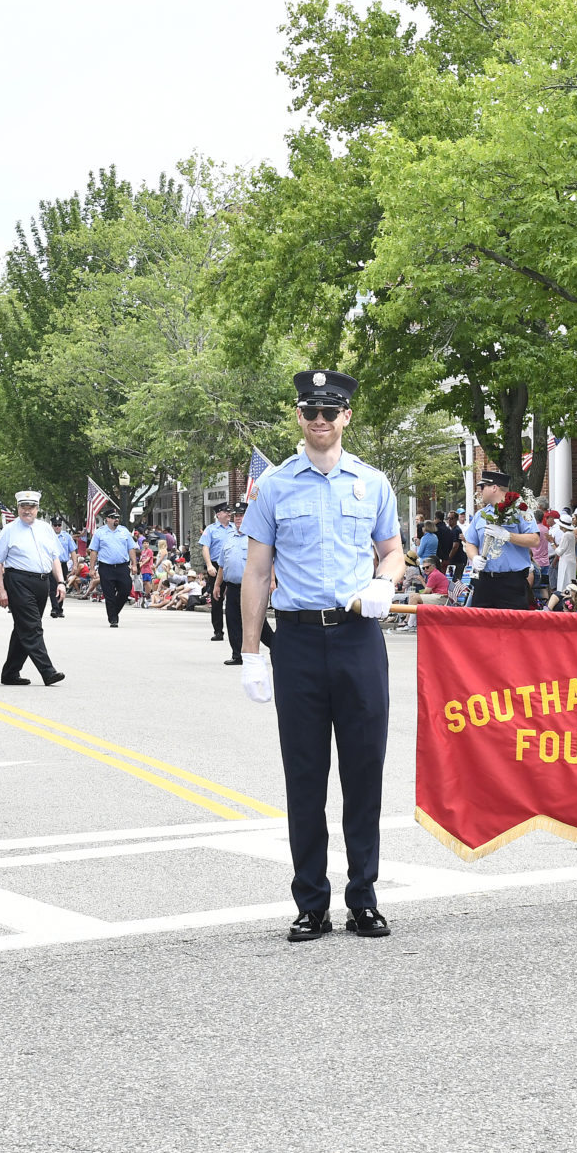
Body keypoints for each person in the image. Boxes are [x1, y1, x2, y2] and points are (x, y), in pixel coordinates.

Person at [237, 369, 403, 942]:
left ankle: (364, 897)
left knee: (364, 772)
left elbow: (393, 552)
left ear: (347, 417)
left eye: (331, 411)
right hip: (301, 641)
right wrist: (251, 652)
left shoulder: (374, 482)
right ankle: (311, 900)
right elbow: (257, 572)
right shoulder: (276, 486)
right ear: (300, 417)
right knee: (305, 776)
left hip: (359, 640)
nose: (320, 420)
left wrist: (385, 582)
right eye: (311, 410)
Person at [0, 491, 66, 687]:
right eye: (23, 506)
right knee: (32, 627)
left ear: (37, 509)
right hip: (18, 580)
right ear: (18, 508)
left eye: (31, 507)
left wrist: (61, 582)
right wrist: (1, 590)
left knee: (24, 627)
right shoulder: (9, 530)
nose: (27, 510)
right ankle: (48, 672)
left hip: (42, 582)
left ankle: (10, 673)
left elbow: (54, 557)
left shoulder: (46, 529)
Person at [463, 472, 537, 609]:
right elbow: (470, 542)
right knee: (481, 625)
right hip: (485, 580)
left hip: (512, 582)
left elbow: (534, 539)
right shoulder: (480, 515)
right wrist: (475, 557)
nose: (480, 491)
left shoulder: (521, 511)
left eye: (482, 487)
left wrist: (508, 535)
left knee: (513, 626)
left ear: (494, 488)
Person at [211, 508, 249, 664]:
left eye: (242, 516)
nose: (238, 519)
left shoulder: (255, 537)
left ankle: (274, 646)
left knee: (256, 622)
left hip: (250, 587)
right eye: (237, 516)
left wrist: (271, 582)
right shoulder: (229, 538)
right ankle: (237, 655)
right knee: (232, 621)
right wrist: (217, 585)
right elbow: (222, 565)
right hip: (232, 586)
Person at [90, 507, 135, 627]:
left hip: (122, 566)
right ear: (107, 519)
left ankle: (114, 611)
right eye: (114, 517)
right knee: (109, 594)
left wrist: (135, 564)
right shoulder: (100, 532)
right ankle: (113, 618)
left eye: (117, 517)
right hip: (106, 567)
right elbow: (94, 551)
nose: (117, 519)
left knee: (126, 589)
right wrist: (92, 567)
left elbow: (131, 548)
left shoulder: (124, 531)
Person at [199, 506, 234, 644]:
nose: (229, 514)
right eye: (226, 512)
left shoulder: (235, 527)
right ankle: (218, 631)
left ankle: (236, 629)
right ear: (218, 514)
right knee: (217, 599)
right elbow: (205, 547)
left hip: (232, 566)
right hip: (216, 566)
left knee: (234, 598)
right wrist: (209, 565)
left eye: (229, 512)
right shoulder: (211, 529)